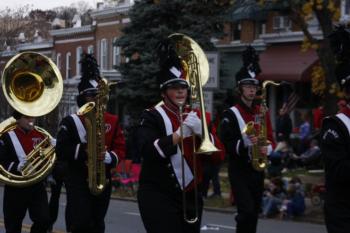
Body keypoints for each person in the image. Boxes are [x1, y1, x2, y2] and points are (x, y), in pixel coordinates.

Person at [136, 39, 225, 233]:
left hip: (191, 196)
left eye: (183, 87)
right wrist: (178, 134)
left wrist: (203, 133)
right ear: (164, 92)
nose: (180, 91)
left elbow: (219, 156)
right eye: (174, 87)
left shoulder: (199, 117)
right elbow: (147, 150)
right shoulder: (151, 116)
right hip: (158, 194)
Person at [55, 53, 126, 233]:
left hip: (103, 179)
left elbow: (122, 148)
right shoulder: (70, 121)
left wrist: (110, 157)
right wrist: (86, 150)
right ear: (82, 98)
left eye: (97, 94)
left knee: (97, 222)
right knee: (80, 222)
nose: (95, 98)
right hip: (78, 179)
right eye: (90, 95)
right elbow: (61, 150)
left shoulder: (112, 120)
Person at [219, 46, 275, 233]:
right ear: (240, 89)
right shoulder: (231, 113)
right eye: (248, 87)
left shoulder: (262, 112)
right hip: (240, 168)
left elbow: (270, 138)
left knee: (254, 212)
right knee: (246, 210)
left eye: (254, 87)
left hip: (257, 170)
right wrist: (244, 142)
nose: (252, 91)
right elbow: (225, 143)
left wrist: (269, 148)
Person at [0, 111, 51, 233]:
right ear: (18, 119)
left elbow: (48, 161)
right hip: (15, 187)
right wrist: (16, 167)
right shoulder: (6, 136)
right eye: (26, 117)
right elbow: (2, 161)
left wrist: (55, 148)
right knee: (13, 225)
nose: (31, 120)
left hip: (37, 186)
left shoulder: (42, 135)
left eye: (32, 116)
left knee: (44, 220)